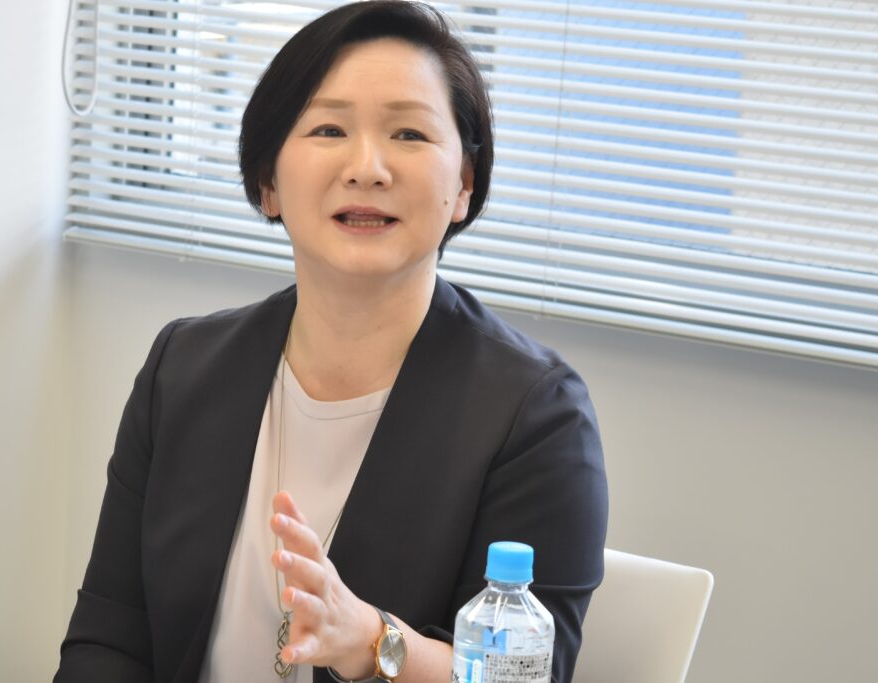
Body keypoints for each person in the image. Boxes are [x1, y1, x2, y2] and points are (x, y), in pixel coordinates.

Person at [54, 2, 608, 682]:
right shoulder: (184, 368)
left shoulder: (536, 417)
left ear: (464, 184)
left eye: (409, 133)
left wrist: (375, 642)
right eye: (328, 129)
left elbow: (520, 676)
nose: (367, 167)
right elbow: (108, 639)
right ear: (268, 182)